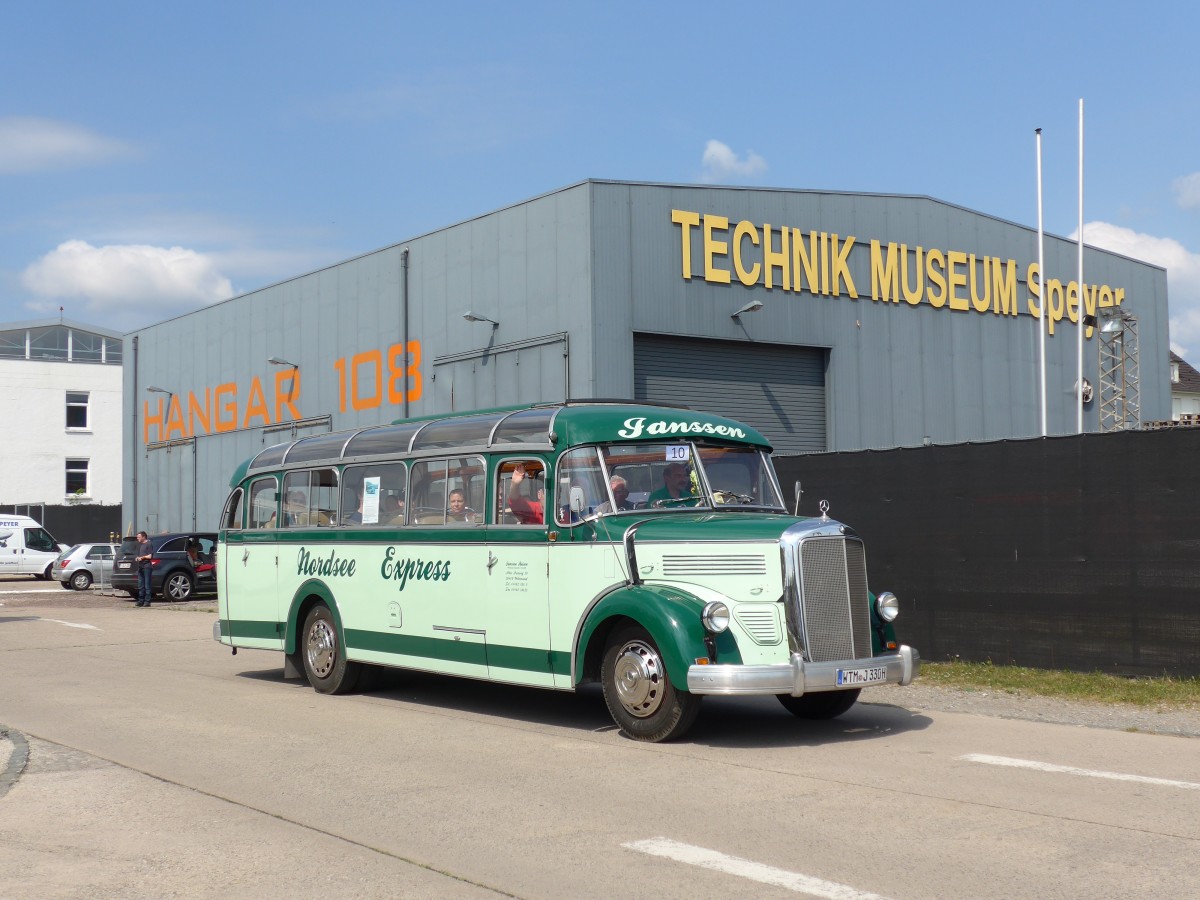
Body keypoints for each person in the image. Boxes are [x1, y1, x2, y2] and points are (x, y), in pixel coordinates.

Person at [134, 531, 154, 607]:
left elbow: (150, 556)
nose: (137, 538)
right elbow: (139, 554)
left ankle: (147, 601)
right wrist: (137, 558)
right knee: (140, 585)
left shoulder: (149, 544)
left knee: (147, 585)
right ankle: (140, 600)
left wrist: (142, 558)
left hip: (147, 566)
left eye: (139, 537)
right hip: (140, 566)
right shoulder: (139, 544)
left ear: (143, 537)